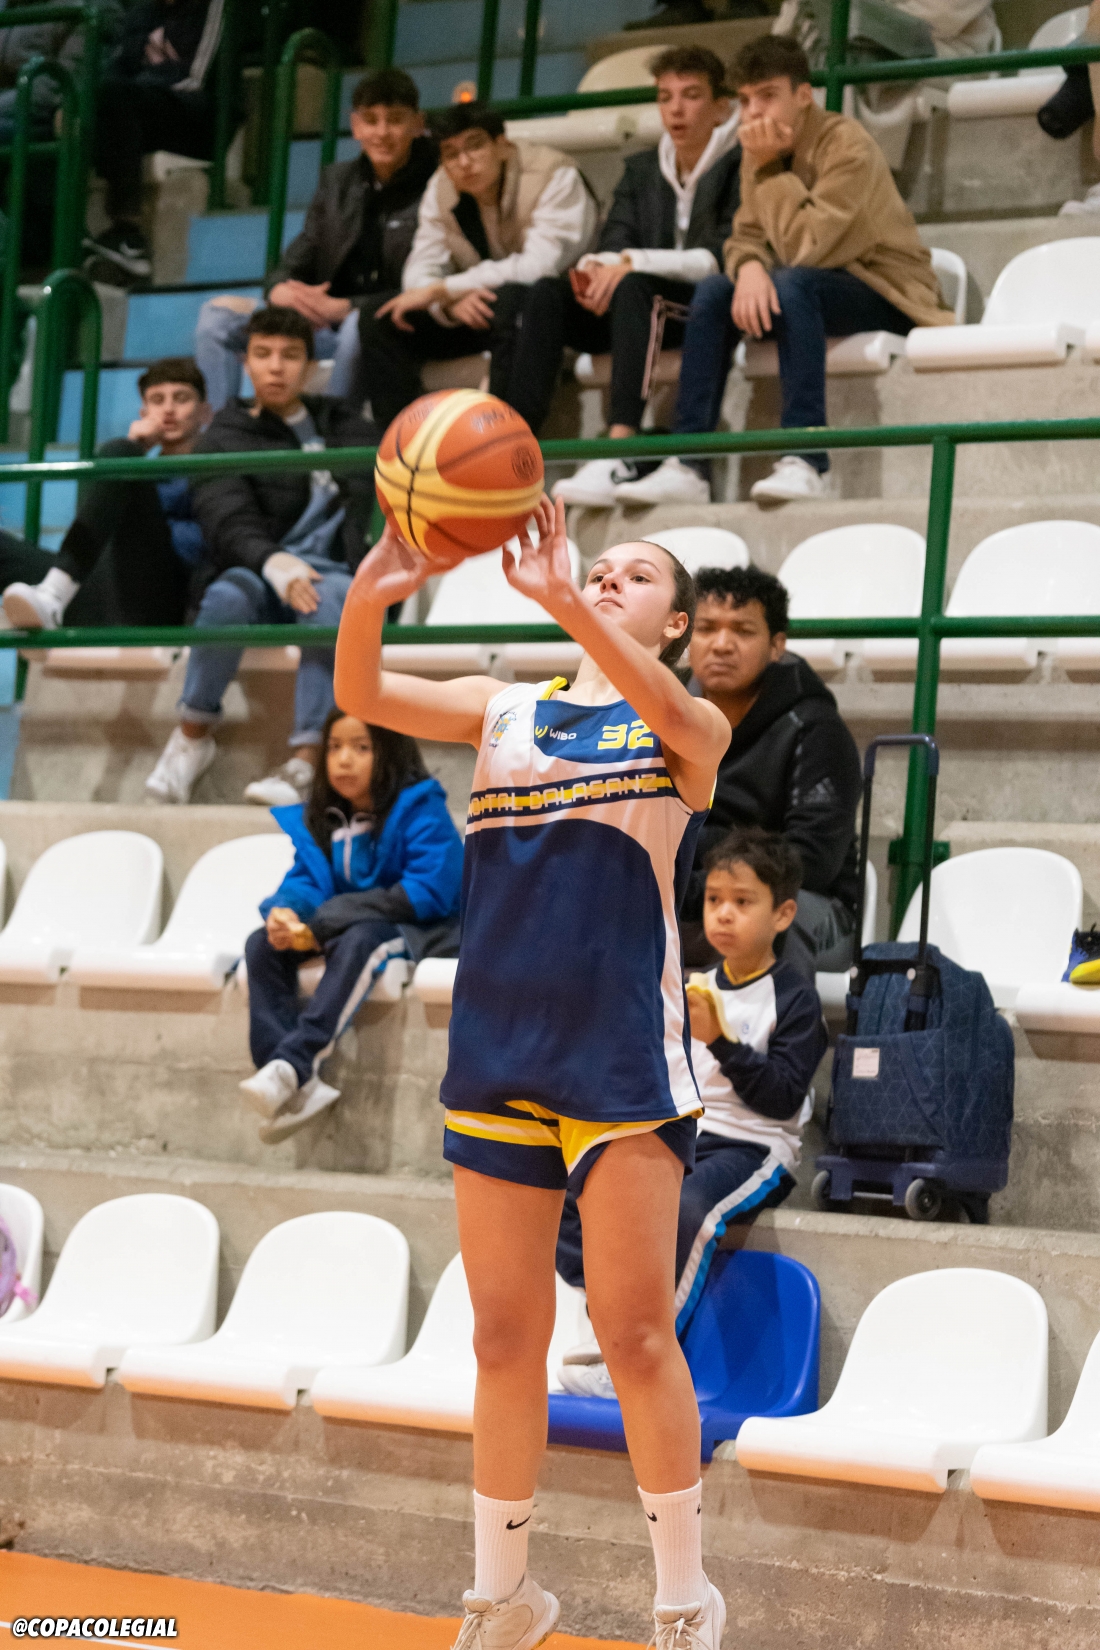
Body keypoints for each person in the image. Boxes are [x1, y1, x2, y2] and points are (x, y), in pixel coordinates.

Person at [334, 504, 732, 1647]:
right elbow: (361, 690)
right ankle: (503, 1597)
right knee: (502, 1339)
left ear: (676, 621)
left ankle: (681, 1599)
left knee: (632, 1335)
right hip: (497, 1045)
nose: (606, 577)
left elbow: (674, 716)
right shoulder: (501, 707)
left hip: (619, 1054)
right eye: (596, 567)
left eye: (635, 575)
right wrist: (374, 586)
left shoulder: (684, 722)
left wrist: (562, 600)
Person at [615, 34, 955, 509]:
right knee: (713, 291)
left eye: (768, 96)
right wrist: (750, 267)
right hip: (808, 288)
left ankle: (806, 459)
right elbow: (743, 237)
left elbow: (808, 248)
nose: (755, 112)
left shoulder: (846, 145)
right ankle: (688, 464)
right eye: (746, 100)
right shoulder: (760, 149)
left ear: (803, 95)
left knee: (793, 283)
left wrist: (770, 171)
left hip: (887, 291)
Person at [556, 826, 827, 1398]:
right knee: (578, 1190)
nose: (723, 914)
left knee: (688, 1210)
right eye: (714, 900)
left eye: (742, 902)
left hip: (754, 1147)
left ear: (783, 914)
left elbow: (782, 1098)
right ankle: (606, 1321)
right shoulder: (688, 983)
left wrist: (721, 1041)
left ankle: (639, 1362)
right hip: (687, 1134)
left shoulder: (796, 997)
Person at [144, 307, 377, 809]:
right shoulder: (225, 434)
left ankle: (306, 762)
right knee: (225, 597)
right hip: (259, 570)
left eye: (290, 356)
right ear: (245, 363)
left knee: (331, 600)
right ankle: (191, 738)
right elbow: (226, 518)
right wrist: (275, 563)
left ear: (310, 366)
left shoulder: (346, 425)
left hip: (331, 574)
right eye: (263, 354)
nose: (275, 367)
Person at [499, 44, 740, 507]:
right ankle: (514, 448)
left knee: (634, 286)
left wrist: (629, 264)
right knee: (547, 292)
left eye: (691, 95)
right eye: (665, 97)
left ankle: (619, 449)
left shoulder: (741, 166)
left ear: (721, 108)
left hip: (702, 309)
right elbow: (614, 241)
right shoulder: (641, 169)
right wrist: (598, 271)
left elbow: (719, 257)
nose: (676, 109)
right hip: (636, 307)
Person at [240, 708, 463, 1143]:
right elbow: (306, 881)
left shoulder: (421, 807)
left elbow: (429, 891)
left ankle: (294, 1063)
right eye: (335, 747)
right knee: (261, 944)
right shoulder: (325, 817)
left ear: (390, 752)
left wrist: (327, 919)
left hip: (421, 930)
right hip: (344, 926)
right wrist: (286, 912)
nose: (344, 759)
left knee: (361, 939)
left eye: (361, 748)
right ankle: (288, 1080)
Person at [195, 69, 438, 412]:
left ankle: (334, 430)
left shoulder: (438, 184)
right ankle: (223, 432)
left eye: (395, 120)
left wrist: (347, 307)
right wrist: (282, 291)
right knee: (215, 319)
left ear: (417, 123)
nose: (382, 133)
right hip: (324, 320)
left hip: (389, 323)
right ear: (355, 126)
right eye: (371, 121)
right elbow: (295, 260)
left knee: (357, 325)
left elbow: (432, 280)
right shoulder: (337, 181)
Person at [358, 101, 598, 429]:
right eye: (451, 154)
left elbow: (539, 267)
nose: (464, 162)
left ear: (502, 145)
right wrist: (449, 305)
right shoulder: (441, 187)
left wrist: (446, 289)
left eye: (474, 146)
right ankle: (400, 442)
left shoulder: (553, 174)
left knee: (516, 299)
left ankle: (504, 436)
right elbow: (420, 268)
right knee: (381, 315)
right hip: (484, 307)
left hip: (571, 310)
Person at [681, 565, 861, 981]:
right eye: (706, 629)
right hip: (697, 895)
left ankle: (772, 1027)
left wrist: (700, 884)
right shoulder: (666, 715)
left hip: (808, 907)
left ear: (776, 646)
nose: (722, 645)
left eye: (743, 631)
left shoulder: (815, 728)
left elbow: (810, 862)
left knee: (755, 919)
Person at [1, 357, 209, 631]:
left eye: (181, 398)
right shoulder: (135, 471)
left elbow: (198, 547)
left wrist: (131, 448)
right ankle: (48, 599)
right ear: (144, 413)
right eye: (157, 400)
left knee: (120, 454)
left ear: (205, 412)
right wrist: (136, 447)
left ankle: (53, 595)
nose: (168, 409)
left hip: (163, 597)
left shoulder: (218, 471)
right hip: (104, 589)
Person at [83, 0, 228, 285]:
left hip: (197, 116)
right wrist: (155, 72)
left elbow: (195, 80)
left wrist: (146, 78)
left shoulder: (214, 6)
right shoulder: (142, 11)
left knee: (120, 100)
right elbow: (116, 70)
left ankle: (129, 234)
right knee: (102, 100)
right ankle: (79, 234)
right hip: (148, 102)